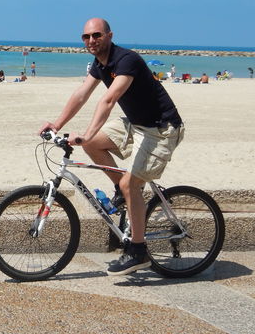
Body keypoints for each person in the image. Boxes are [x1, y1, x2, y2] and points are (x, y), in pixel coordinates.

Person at [39, 18, 184, 276]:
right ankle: (121, 189)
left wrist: (86, 134)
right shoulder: (100, 64)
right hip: (136, 124)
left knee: (131, 184)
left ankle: (138, 251)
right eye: (86, 37)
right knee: (94, 148)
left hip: (162, 129)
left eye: (96, 35)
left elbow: (109, 99)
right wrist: (57, 124)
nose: (91, 41)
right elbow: (82, 94)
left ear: (109, 35)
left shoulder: (126, 60)